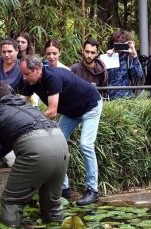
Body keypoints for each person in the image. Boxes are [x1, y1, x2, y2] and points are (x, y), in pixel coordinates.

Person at [0, 80, 69, 227]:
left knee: (11, 201)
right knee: (52, 203)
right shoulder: (28, 108)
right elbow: (6, 146)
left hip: (36, 150)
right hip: (61, 146)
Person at [20, 54, 103, 205]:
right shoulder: (30, 81)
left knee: (85, 144)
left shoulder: (52, 78)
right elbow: (19, 105)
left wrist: (29, 123)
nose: (24, 78)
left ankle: (93, 191)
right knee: (56, 145)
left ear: (37, 69)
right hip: (72, 112)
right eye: (23, 74)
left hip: (90, 106)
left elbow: (51, 113)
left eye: (26, 74)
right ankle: (64, 189)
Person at [106, 30, 144, 100]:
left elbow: (139, 75)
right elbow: (103, 77)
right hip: (110, 100)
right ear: (112, 44)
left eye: (122, 43)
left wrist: (134, 55)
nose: (120, 46)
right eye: (117, 43)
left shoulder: (129, 59)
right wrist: (107, 58)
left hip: (127, 98)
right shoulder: (108, 58)